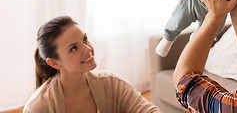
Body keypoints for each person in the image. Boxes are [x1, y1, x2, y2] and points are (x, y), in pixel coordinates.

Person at [23, 16, 161, 113]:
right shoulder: (38, 107)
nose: (87, 49)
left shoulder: (111, 82)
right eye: (73, 48)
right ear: (54, 62)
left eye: (85, 40)